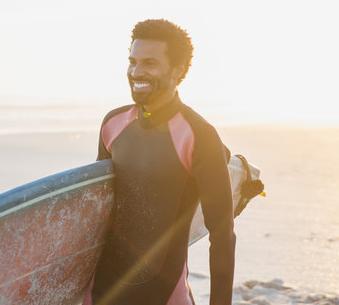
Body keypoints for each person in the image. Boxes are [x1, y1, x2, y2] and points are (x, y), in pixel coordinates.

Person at [84, 19, 235, 305]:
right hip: (102, 293)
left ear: (177, 71)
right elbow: (97, 211)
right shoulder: (113, 124)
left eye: (150, 63)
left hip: (164, 296)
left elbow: (223, 237)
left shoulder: (198, 136)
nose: (136, 72)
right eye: (132, 61)